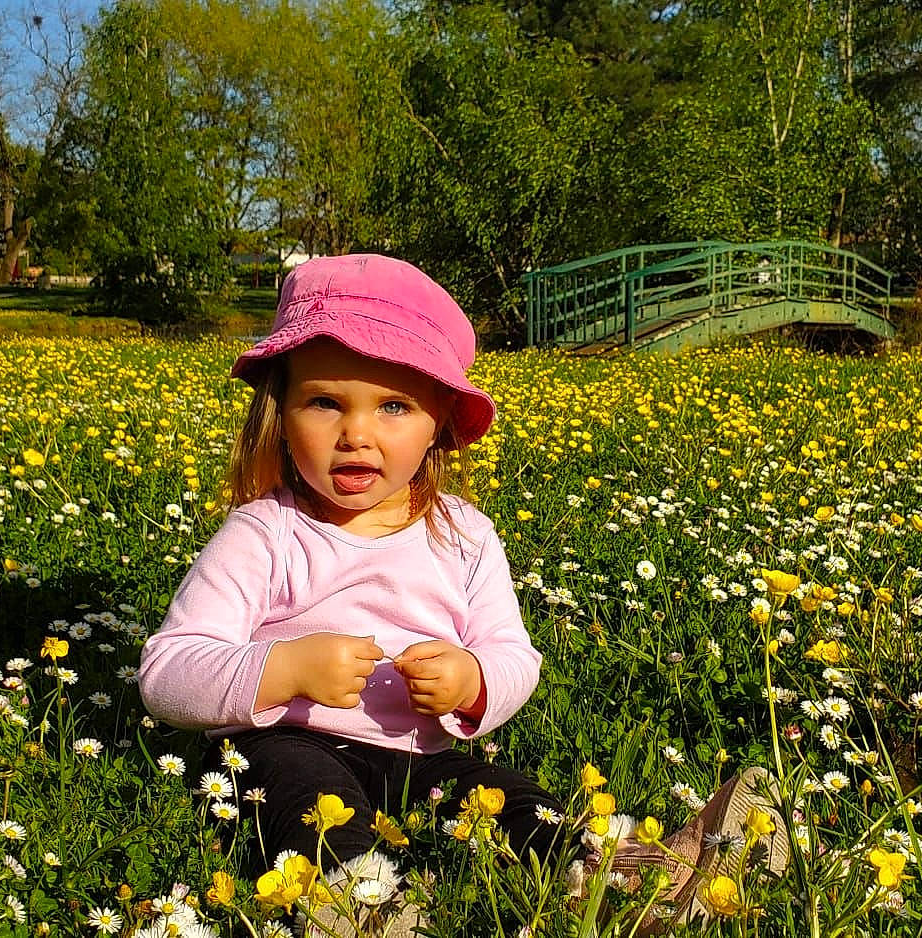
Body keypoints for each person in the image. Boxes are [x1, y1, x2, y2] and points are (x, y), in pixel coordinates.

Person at [137, 254, 785, 938]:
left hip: (424, 756)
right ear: (280, 409)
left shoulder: (465, 536)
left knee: (516, 805)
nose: (356, 433)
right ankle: (361, 909)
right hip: (283, 743)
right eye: (325, 402)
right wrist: (284, 669)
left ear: (440, 421)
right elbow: (168, 671)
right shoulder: (265, 532)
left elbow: (513, 654)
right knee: (306, 798)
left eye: (393, 406)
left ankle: (632, 877)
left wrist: (473, 681)